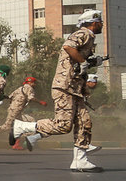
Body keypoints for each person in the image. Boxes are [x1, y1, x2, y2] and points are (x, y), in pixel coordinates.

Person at [11, 9, 105, 171]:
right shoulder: (84, 33)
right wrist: (84, 62)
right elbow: (69, 47)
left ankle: (80, 160)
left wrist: (90, 62)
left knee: (84, 122)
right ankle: (22, 127)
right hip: (65, 86)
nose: (102, 25)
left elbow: (75, 62)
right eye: (100, 22)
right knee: (63, 125)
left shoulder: (89, 38)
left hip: (75, 88)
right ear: (94, 23)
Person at [1, 76, 47, 149]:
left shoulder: (20, 88)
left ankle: (17, 144)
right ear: (31, 83)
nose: (35, 85)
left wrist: (12, 106)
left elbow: (10, 97)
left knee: (21, 126)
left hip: (14, 110)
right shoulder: (29, 88)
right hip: (16, 110)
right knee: (6, 127)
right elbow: (31, 98)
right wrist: (41, 102)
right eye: (34, 83)